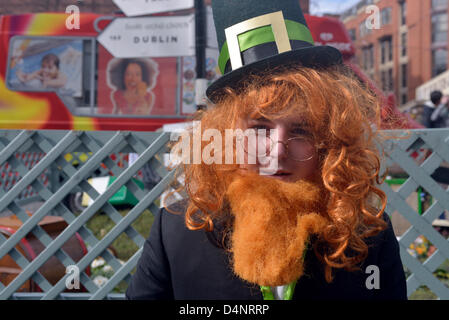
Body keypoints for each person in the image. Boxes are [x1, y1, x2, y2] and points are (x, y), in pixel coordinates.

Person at [126, 0, 407, 300]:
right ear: (228, 134)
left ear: (329, 139)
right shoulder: (179, 232)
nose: (276, 153)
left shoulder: (368, 237)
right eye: (260, 128)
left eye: (301, 131)